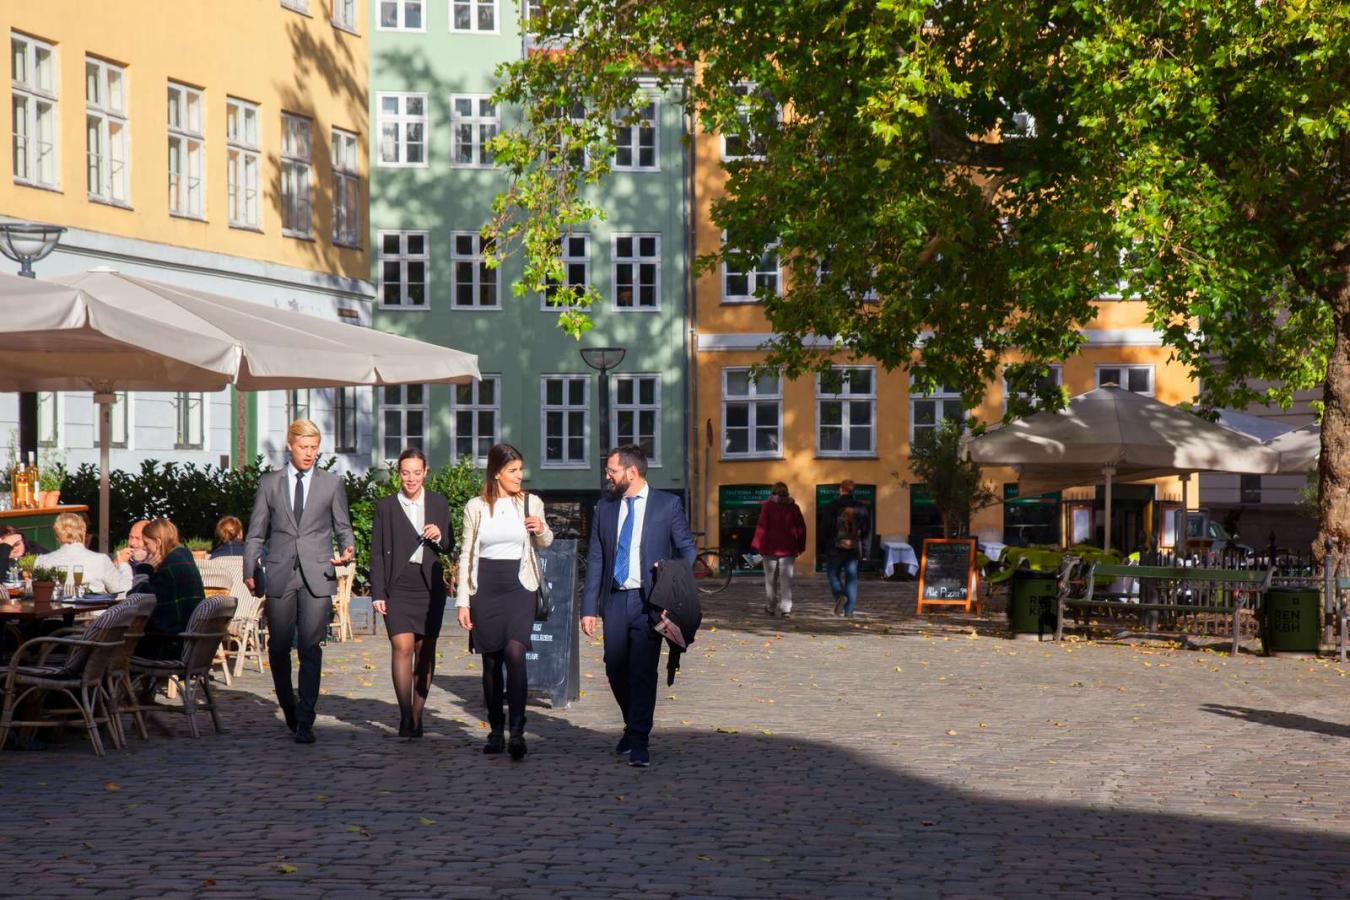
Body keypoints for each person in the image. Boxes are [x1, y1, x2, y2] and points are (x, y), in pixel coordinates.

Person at [581, 444, 696, 768]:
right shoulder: (604, 508)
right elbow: (595, 559)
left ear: (631, 472)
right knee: (614, 665)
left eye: (612, 471)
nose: (607, 476)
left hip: (650, 601)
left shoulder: (667, 505)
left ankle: (640, 738)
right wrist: (588, 607)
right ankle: (632, 725)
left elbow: (688, 551)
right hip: (615, 598)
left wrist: (669, 574)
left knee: (643, 671)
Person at [243, 419, 355, 744]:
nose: (310, 454)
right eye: (304, 447)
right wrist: (250, 569)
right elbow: (256, 532)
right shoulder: (270, 484)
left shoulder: (332, 483)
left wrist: (348, 548)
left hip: (318, 573)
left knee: (310, 647)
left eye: (314, 448)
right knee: (278, 648)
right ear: (290, 445)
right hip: (279, 573)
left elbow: (343, 527)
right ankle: (290, 710)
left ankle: (306, 719)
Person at [455, 443, 552, 761]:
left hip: (520, 585)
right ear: (497, 473)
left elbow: (546, 540)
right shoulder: (476, 506)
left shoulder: (531, 503)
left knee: (515, 652)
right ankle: (496, 729)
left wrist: (540, 530)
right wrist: (463, 601)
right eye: (513, 471)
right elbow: (467, 553)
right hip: (486, 588)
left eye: (521, 470)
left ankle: (518, 732)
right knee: (492, 660)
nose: (519, 476)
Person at [372, 448, 453, 738]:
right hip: (398, 586)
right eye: (405, 472)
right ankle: (405, 715)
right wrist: (377, 592)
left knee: (425, 651)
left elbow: (449, 545)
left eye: (417, 472)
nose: (411, 478)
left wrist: (439, 535)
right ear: (398, 474)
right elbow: (378, 554)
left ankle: (418, 714)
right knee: (402, 647)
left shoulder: (439, 503)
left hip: (429, 588)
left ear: (426, 472)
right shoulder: (386, 506)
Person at [134, 518, 206, 660]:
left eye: (147, 544)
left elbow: (137, 600)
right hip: (191, 643)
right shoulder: (183, 557)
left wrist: (144, 570)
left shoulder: (169, 567)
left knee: (116, 646)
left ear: (158, 542)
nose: (145, 549)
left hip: (171, 646)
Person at [34, 512, 134, 596]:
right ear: (84, 533)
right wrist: (123, 564)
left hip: (54, 616)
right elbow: (124, 589)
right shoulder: (100, 560)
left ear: (57, 537)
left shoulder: (41, 561)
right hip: (93, 617)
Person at [750, 482, 807, 617]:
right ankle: (786, 609)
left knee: (770, 580)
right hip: (788, 548)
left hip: (769, 548)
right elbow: (801, 528)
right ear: (786, 492)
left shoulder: (767, 506)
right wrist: (801, 546)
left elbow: (761, 526)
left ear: (773, 492)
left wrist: (756, 545)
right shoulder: (794, 508)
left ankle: (771, 607)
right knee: (786, 580)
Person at [819, 480, 872, 617]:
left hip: (834, 548)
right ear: (852, 491)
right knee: (851, 579)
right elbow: (866, 531)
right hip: (852, 548)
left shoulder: (831, 506)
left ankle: (840, 596)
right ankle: (849, 612)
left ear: (840, 490)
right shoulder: (861, 507)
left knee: (832, 575)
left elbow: (823, 529)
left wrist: (821, 549)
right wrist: (866, 551)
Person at [209, 514, 264, 596]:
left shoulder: (213, 559)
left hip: (224, 606)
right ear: (240, 532)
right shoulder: (257, 553)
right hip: (253, 605)